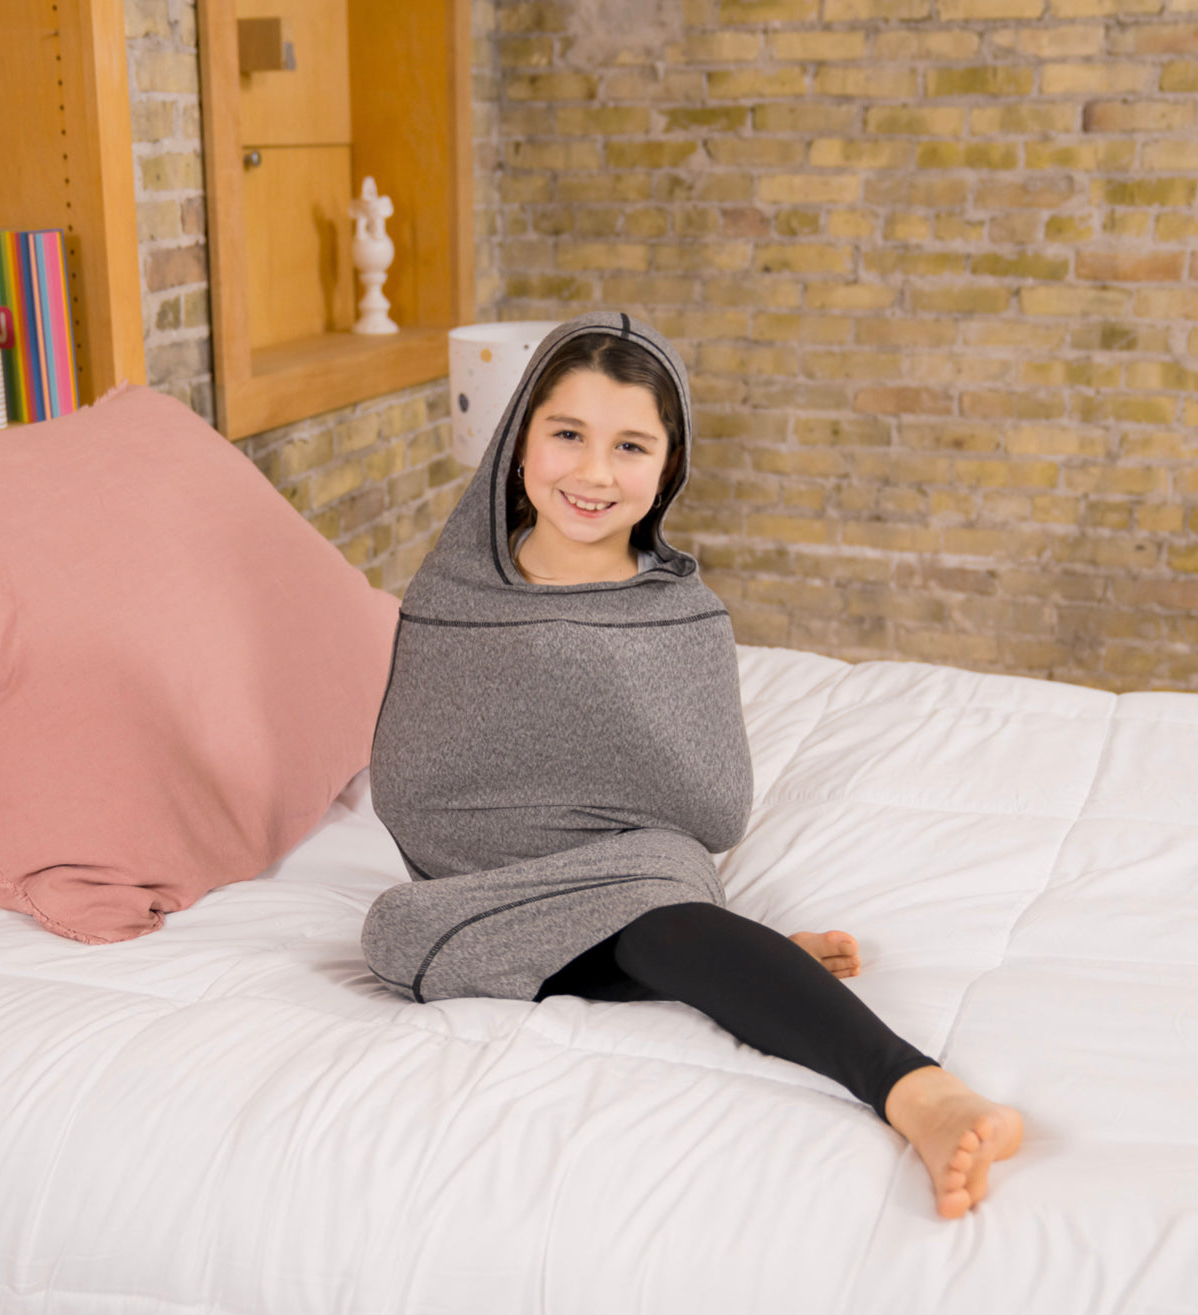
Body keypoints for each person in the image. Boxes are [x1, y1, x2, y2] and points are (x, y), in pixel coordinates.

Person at [364, 312, 1021, 1220]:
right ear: (519, 444)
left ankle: (921, 1094)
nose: (594, 473)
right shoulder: (452, 592)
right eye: (566, 435)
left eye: (630, 446)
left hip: (642, 872)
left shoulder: (682, 613)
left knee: (663, 916)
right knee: (393, 934)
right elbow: (410, 787)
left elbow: (713, 811)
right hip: (479, 888)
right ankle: (742, 957)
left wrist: (607, 712)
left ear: (667, 468)